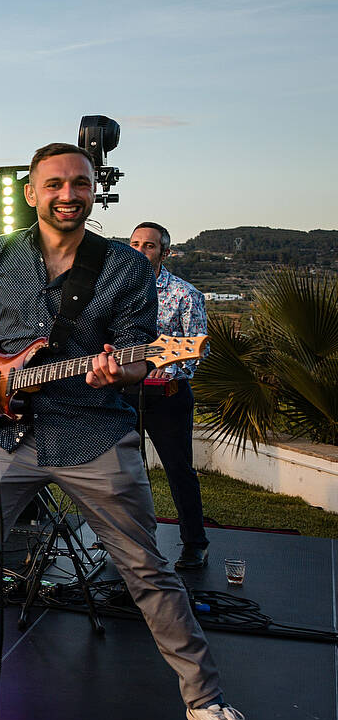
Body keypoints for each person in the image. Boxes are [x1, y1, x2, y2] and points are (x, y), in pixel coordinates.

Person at [0, 144, 264, 720]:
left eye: (81, 184)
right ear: (31, 194)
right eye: (56, 184)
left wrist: (126, 365)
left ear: (96, 192)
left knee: (147, 568)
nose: (69, 194)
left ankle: (208, 704)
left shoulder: (124, 269)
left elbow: (146, 359)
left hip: (95, 431)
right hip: (10, 432)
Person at [124, 222, 210, 569]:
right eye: (134, 244)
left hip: (168, 396)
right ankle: (122, 540)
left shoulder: (185, 295)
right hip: (123, 393)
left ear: (165, 252)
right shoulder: (117, 291)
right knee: (120, 470)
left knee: (179, 470)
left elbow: (197, 348)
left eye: (148, 246)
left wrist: (170, 370)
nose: (140, 251)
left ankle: (195, 544)